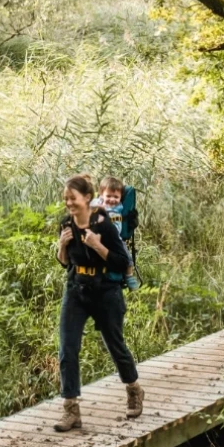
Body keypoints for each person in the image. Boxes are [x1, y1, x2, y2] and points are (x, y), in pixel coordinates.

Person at [54, 174, 142, 432]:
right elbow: (65, 262)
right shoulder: (66, 224)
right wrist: (62, 246)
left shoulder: (104, 225)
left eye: (73, 198)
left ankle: (134, 390)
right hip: (76, 290)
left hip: (105, 292)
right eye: (66, 199)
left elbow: (121, 261)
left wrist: (97, 245)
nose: (69, 203)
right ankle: (71, 410)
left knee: (114, 345)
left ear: (88, 198)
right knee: (67, 349)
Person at [96, 176, 140, 289]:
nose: (112, 199)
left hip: (115, 239)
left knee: (126, 256)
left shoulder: (118, 208)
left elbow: (119, 228)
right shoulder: (97, 203)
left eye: (116, 197)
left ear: (120, 197)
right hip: (99, 237)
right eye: (108, 196)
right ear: (101, 195)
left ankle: (129, 276)